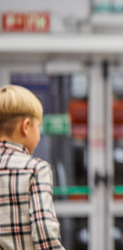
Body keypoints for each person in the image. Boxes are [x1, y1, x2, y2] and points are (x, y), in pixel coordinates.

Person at [0, 84, 65, 249]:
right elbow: (44, 233)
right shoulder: (35, 169)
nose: (39, 134)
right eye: (38, 127)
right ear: (26, 126)